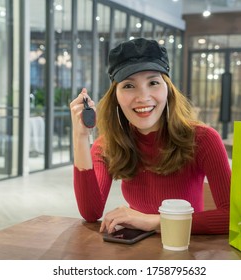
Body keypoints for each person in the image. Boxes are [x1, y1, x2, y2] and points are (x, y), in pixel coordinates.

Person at [70, 38, 231, 235]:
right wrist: (80, 137)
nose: (143, 96)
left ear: (168, 90)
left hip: (184, 250)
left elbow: (232, 217)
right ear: (116, 97)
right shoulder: (108, 144)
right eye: (129, 86)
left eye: (153, 82)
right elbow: (91, 213)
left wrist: (153, 221)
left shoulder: (203, 139)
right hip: (135, 252)